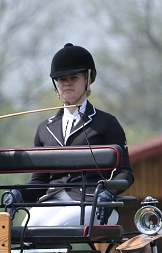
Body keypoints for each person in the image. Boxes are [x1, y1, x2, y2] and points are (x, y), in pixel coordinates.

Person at [13, 43, 134, 226]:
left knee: (52, 228)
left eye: (74, 77)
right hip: (53, 199)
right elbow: (39, 181)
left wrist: (109, 191)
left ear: (88, 80)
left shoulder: (106, 123)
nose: (67, 83)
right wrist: (19, 193)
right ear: (56, 85)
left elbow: (125, 172)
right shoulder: (45, 129)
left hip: (93, 201)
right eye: (62, 79)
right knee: (26, 229)